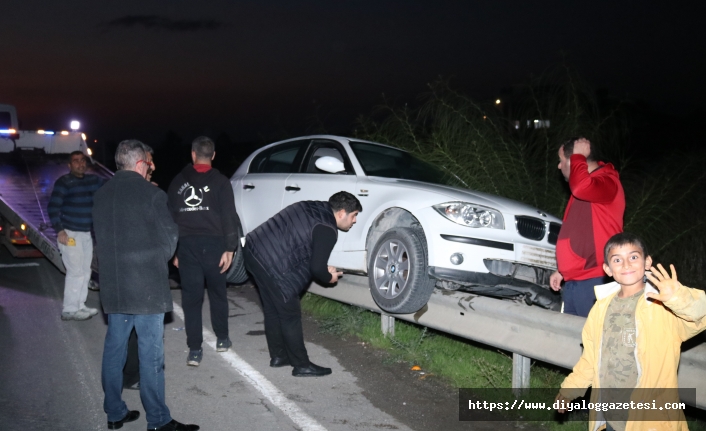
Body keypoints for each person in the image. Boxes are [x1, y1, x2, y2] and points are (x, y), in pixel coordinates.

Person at [93, 140, 199, 431]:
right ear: (141, 164)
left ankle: (114, 413)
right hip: (146, 289)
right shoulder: (153, 195)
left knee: (115, 351)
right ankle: (158, 420)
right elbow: (168, 242)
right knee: (151, 355)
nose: (151, 167)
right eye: (149, 163)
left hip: (114, 287)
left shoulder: (101, 195)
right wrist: (153, 261)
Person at [555, 233, 706, 431]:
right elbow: (591, 358)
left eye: (633, 257)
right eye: (617, 260)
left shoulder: (663, 305)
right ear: (608, 269)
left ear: (647, 261)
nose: (626, 265)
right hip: (611, 416)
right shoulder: (600, 309)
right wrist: (569, 391)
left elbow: (700, 316)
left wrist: (677, 297)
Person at [244, 191, 362, 377]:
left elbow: (302, 246)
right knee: (290, 315)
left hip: (252, 251)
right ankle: (301, 365)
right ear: (341, 213)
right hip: (272, 263)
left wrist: (323, 267)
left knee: (273, 310)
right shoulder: (328, 229)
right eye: (354, 215)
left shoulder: (310, 206)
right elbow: (316, 268)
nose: (354, 221)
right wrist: (328, 276)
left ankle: (279, 356)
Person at [167, 136, 239, 366]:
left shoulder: (178, 182)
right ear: (213, 155)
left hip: (187, 246)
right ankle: (222, 339)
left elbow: (170, 219)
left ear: (193, 154)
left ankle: (195, 350)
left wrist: (174, 250)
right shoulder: (221, 182)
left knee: (191, 299)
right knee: (218, 294)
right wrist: (230, 248)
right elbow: (229, 216)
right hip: (215, 245)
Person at [550, 137, 625, 317]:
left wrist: (578, 156)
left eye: (561, 161)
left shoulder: (607, 181)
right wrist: (564, 270)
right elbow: (579, 232)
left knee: (594, 340)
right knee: (572, 339)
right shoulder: (587, 188)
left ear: (574, 160)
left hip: (595, 277)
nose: (559, 166)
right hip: (576, 280)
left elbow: (581, 187)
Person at [48, 150, 105, 321]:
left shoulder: (93, 181)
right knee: (75, 271)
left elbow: (114, 184)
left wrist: (140, 183)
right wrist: (60, 230)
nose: (80, 164)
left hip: (86, 234)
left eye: (82, 161)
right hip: (70, 234)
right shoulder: (64, 182)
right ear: (69, 165)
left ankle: (80, 305)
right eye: (75, 161)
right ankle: (69, 309)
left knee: (85, 271)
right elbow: (53, 208)